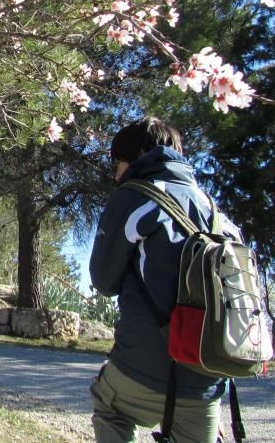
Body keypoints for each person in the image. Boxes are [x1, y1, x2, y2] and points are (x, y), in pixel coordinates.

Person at [89, 117, 233, 443]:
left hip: (143, 367)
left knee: (109, 404)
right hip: (207, 377)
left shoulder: (133, 195)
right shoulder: (214, 209)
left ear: (139, 155)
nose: (115, 173)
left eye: (118, 162)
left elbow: (103, 281)